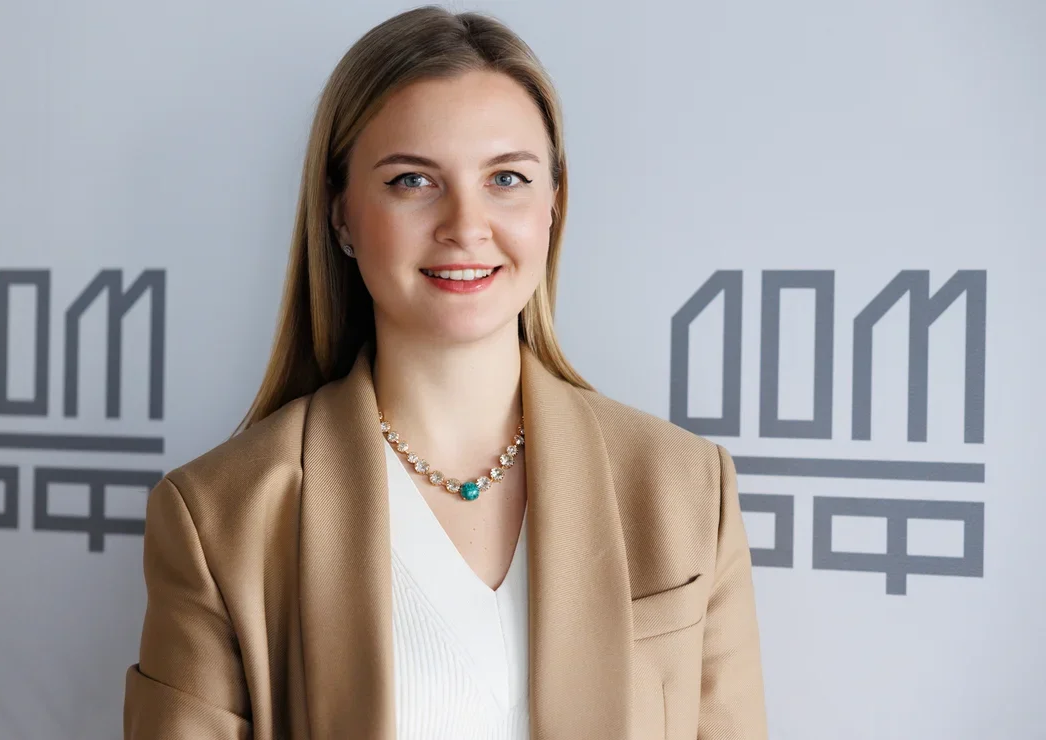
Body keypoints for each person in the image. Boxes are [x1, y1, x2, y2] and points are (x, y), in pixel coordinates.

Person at [123, 5, 767, 739]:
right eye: (412, 180)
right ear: (340, 214)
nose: (465, 225)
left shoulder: (687, 489)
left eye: (507, 178)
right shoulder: (220, 516)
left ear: (553, 205)